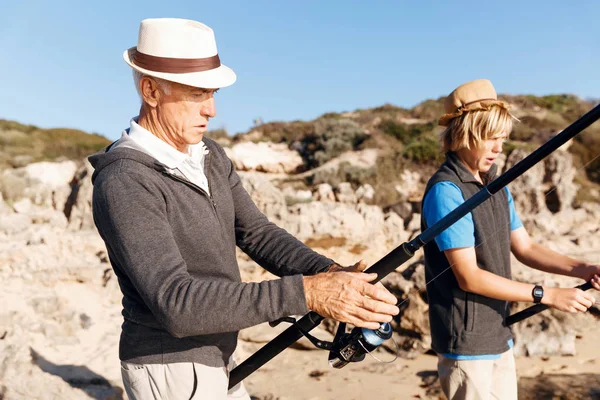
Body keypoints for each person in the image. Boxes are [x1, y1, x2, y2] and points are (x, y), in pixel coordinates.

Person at [89, 18, 399, 399]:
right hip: (168, 365)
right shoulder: (125, 180)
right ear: (151, 90)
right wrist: (309, 293)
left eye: (213, 93)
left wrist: (332, 274)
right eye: (197, 94)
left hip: (218, 356)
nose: (212, 110)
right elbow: (176, 303)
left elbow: (257, 233)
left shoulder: (210, 157)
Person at [421, 79, 600, 400]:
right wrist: (546, 294)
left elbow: (526, 248)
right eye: (490, 138)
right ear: (464, 133)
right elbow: (468, 277)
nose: (498, 148)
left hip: (498, 334)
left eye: (502, 139)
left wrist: (585, 269)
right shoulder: (446, 190)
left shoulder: (496, 187)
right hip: (466, 344)